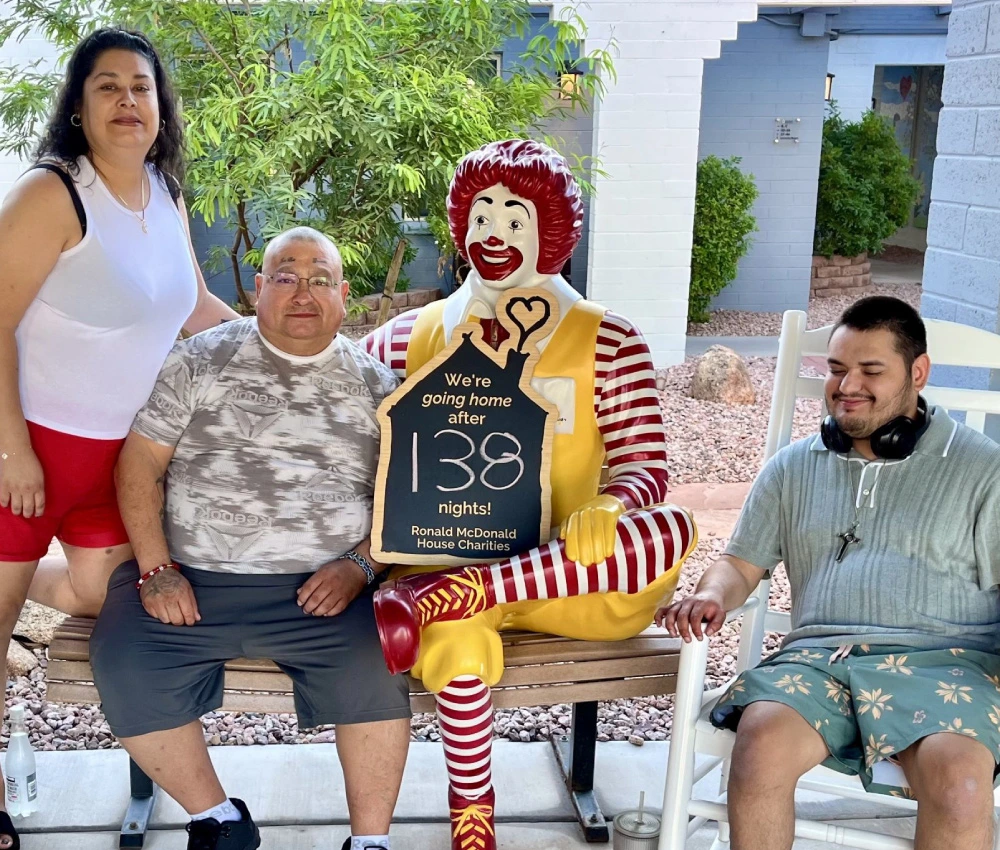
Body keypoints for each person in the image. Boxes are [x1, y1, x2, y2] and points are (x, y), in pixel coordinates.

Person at [363, 139, 696, 850]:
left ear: (551, 232)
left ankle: (461, 591)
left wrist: (612, 505)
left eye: (515, 219)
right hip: (440, 566)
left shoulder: (610, 340)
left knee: (672, 530)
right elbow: (356, 449)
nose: (494, 234)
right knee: (454, 645)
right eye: (482, 214)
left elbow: (646, 467)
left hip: (576, 579)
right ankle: (473, 826)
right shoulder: (401, 340)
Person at [90, 226, 410, 850]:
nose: (303, 293)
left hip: (326, 589)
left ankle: (371, 843)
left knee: (377, 667)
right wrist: (157, 570)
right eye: (286, 277)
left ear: (344, 296)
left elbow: (402, 504)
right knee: (125, 660)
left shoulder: (381, 388)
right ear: (258, 289)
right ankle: (218, 820)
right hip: (193, 578)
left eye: (320, 280)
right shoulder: (200, 358)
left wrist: (360, 566)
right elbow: (139, 467)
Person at [0, 28, 238, 849]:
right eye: (107, 87)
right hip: (29, 450)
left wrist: (290, 347)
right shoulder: (52, 194)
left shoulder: (162, 192)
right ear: (78, 105)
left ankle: (26, 580)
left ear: (160, 106)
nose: (127, 102)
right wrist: (11, 449)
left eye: (141, 87)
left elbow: (196, 310)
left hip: (118, 459)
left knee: (109, 594)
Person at [658, 296, 1000, 850]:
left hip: (948, 663)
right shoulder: (794, 465)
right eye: (837, 369)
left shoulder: (983, 469)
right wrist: (713, 597)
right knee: (760, 744)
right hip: (820, 661)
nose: (846, 386)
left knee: (960, 783)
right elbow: (740, 562)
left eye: (871, 371)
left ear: (918, 373)